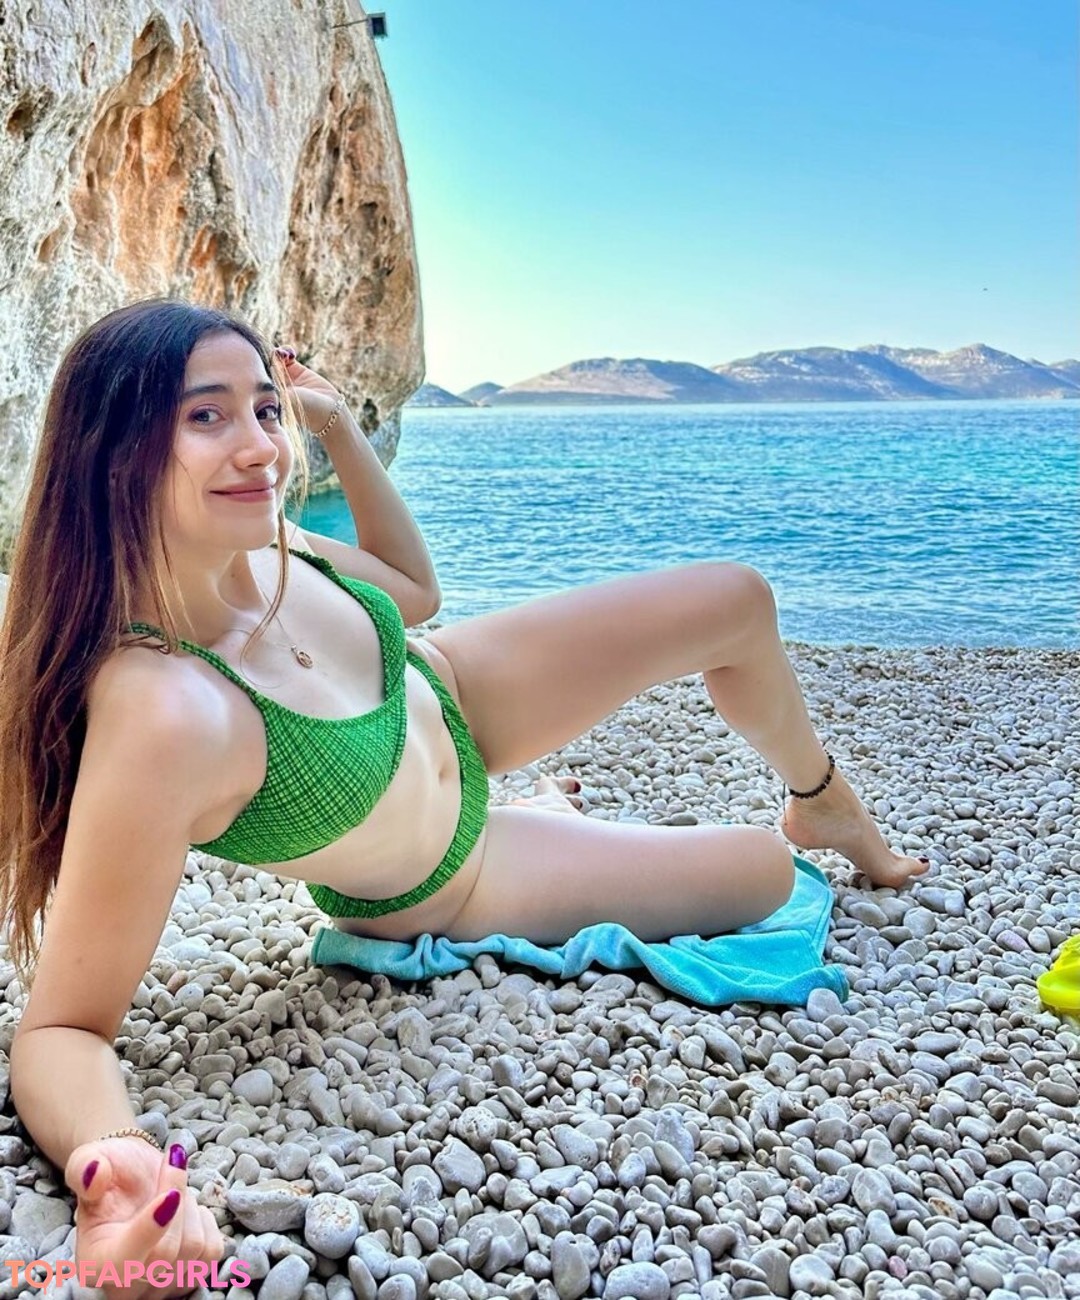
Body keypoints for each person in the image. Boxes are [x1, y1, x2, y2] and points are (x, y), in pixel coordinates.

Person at [0, 299, 929, 1292]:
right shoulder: (165, 710)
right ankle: (558, 825)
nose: (262, 446)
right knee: (763, 872)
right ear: (113, 450)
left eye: (266, 409)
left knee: (736, 600)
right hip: (458, 867)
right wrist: (118, 1166)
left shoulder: (265, 541)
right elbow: (62, 1028)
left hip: (452, 688)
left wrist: (337, 425)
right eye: (207, 415)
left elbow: (415, 593)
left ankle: (822, 798)